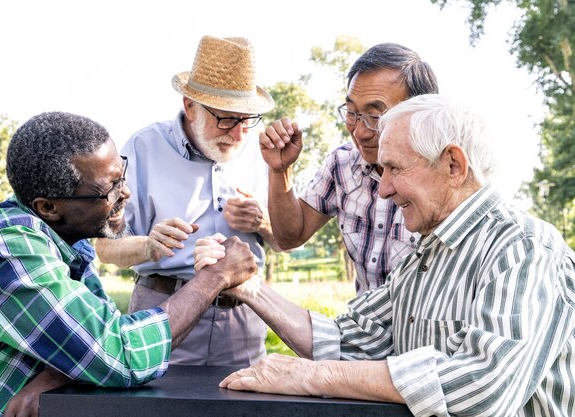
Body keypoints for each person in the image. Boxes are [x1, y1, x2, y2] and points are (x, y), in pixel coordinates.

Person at [196, 94, 575, 416]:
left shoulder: (523, 249)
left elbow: (482, 386)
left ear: (453, 165)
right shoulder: (424, 256)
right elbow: (350, 341)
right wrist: (247, 285)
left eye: (395, 168)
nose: (384, 190)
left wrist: (312, 376)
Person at [0, 112, 258, 417]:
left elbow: (96, 331)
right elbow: (121, 355)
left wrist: (58, 374)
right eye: (109, 188)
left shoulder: (69, 238)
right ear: (49, 207)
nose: (124, 192)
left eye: (122, 176)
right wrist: (216, 276)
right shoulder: (8, 246)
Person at [95, 35, 278, 366]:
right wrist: (148, 245)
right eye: (225, 118)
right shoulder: (143, 148)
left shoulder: (260, 152)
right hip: (163, 310)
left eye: (246, 120)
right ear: (190, 105)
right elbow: (104, 247)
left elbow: (286, 241)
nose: (238, 134)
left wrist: (264, 223)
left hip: (243, 320)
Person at [260, 43, 438, 293]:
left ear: (420, 112)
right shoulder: (342, 165)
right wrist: (280, 171)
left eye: (375, 117)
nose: (360, 131)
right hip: (361, 330)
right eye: (352, 113)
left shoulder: (445, 177)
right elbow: (290, 236)